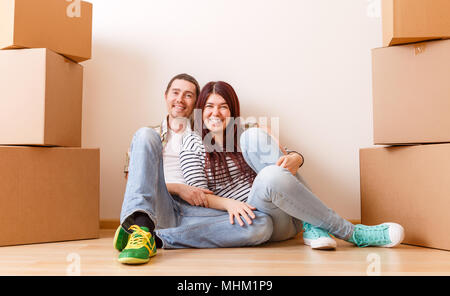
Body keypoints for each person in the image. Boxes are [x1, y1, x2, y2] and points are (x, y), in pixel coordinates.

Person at [179, 80, 405, 250]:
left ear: (233, 111)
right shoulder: (191, 141)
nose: (216, 113)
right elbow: (199, 197)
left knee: (256, 140)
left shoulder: (246, 133)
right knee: (269, 176)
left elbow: (284, 159)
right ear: (200, 110)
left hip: (295, 215)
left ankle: (313, 225)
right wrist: (230, 205)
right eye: (209, 106)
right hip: (261, 219)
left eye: (223, 106)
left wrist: (297, 158)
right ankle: (353, 233)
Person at [114, 74, 275, 265]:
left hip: (196, 212)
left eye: (188, 95)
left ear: (196, 103)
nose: (180, 99)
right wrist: (179, 188)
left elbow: (238, 127)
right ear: (166, 96)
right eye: (175, 92)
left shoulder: (206, 132)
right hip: (161, 207)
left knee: (262, 224)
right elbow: (134, 182)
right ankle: (141, 225)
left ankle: (156, 238)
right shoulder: (148, 137)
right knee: (144, 133)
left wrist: (262, 130)